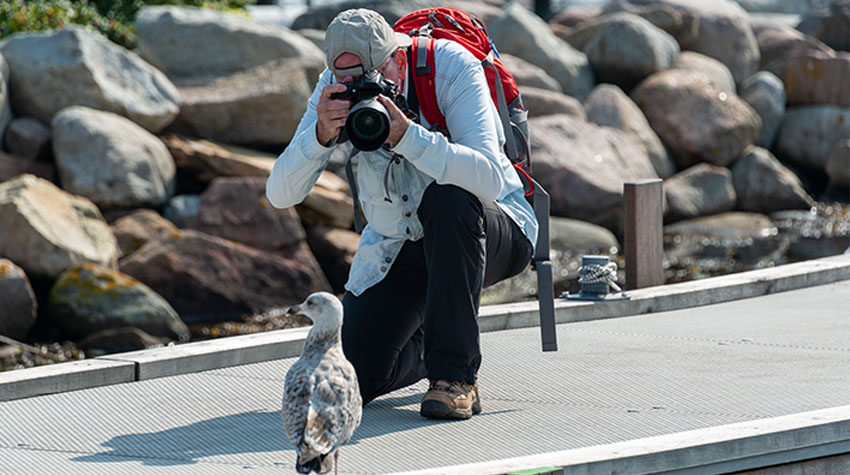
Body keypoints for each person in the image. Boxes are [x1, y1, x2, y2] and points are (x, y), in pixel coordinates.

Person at [266, 8, 538, 420]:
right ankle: (440, 339)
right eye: (347, 79)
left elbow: (488, 180)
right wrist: (320, 136)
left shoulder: (449, 67)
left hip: (492, 229)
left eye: (369, 77)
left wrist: (409, 137)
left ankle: (455, 379)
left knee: (449, 199)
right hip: (402, 245)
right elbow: (280, 193)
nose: (358, 89)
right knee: (361, 376)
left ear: (396, 57)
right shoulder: (333, 87)